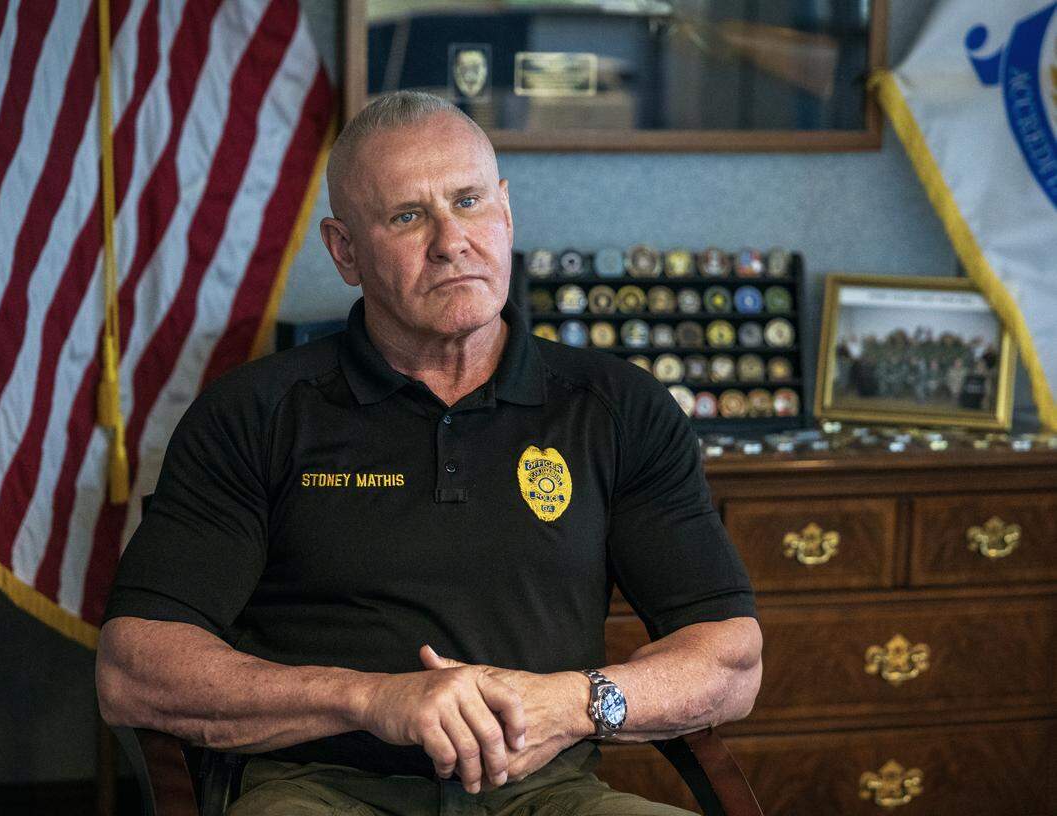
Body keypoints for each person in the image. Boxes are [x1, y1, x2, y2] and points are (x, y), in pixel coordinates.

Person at [96, 91, 762, 815]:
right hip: (319, 789)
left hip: (544, 788)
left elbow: (731, 663)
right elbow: (133, 670)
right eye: (408, 216)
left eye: (470, 201)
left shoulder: (617, 408)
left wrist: (575, 702)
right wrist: (373, 699)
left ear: (505, 210)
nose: (452, 241)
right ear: (344, 250)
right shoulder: (253, 413)